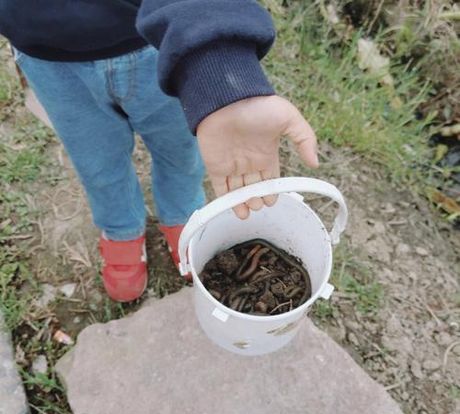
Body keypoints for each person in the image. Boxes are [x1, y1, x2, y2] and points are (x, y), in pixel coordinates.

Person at [0, 0, 318, 302]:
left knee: (180, 151)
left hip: (153, 42)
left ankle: (181, 214)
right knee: (96, 163)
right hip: (47, 58)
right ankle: (120, 228)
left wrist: (218, 63)